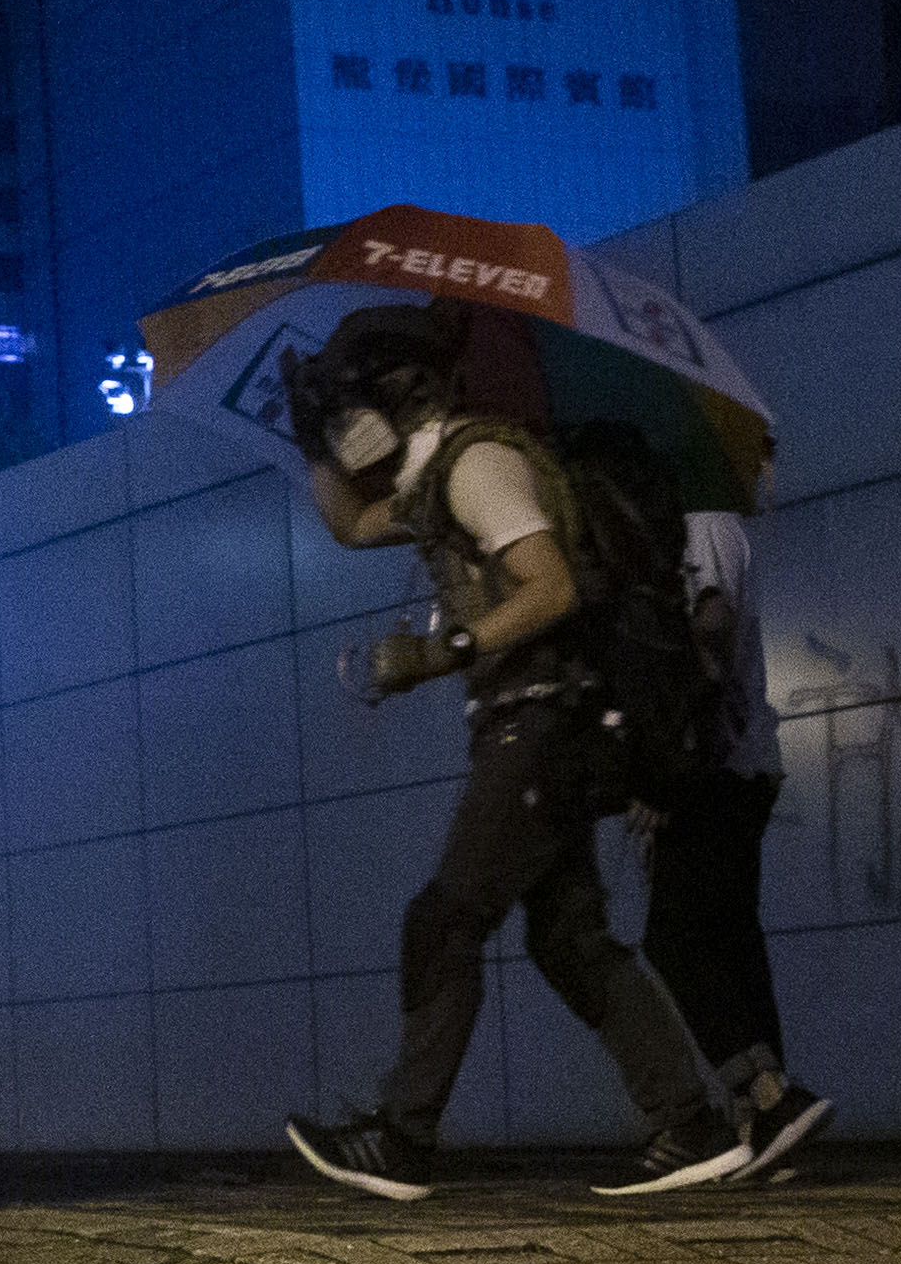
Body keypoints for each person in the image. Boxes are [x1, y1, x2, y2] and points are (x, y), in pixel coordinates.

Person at [278, 304, 751, 1202]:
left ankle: (403, 1138)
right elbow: (349, 525)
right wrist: (306, 438)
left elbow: (553, 584)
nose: (346, 430)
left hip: (540, 725)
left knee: (445, 921)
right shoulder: (433, 477)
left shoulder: (479, 465)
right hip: (536, 725)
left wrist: (444, 652)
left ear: (399, 397)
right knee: (569, 940)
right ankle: (690, 1124)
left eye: (348, 409)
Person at [645, 506, 832, 1169]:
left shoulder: (697, 525)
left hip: (714, 768)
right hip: (736, 765)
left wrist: (670, 762)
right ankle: (767, 1125)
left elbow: (713, 626)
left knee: (672, 938)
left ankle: (768, 1093)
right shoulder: (707, 526)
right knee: (730, 942)